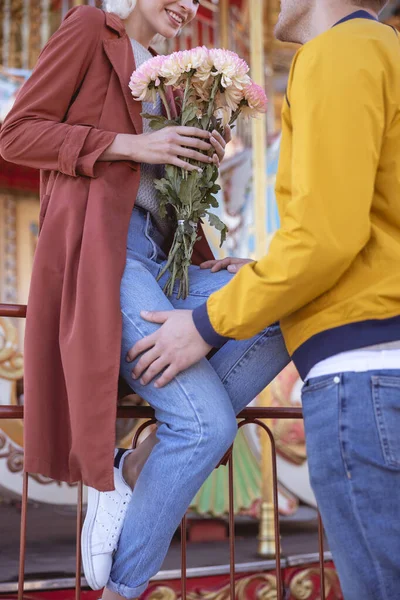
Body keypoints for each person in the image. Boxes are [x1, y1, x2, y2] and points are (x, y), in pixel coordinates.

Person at [0, 1, 291, 598]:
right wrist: (135, 146)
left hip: (170, 265)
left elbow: (170, 198)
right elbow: (17, 134)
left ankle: (141, 458)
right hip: (109, 259)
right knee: (207, 426)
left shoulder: (168, 72)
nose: (190, 6)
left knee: (287, 302)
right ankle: (123, 586)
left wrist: (214, 259)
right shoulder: (89, 28)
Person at [130, 1, 400, 598]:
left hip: (365, 377)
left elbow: (326, 235)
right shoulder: (386, 53)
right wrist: (266, 270)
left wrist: (204, 324)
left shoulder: (339, 51)